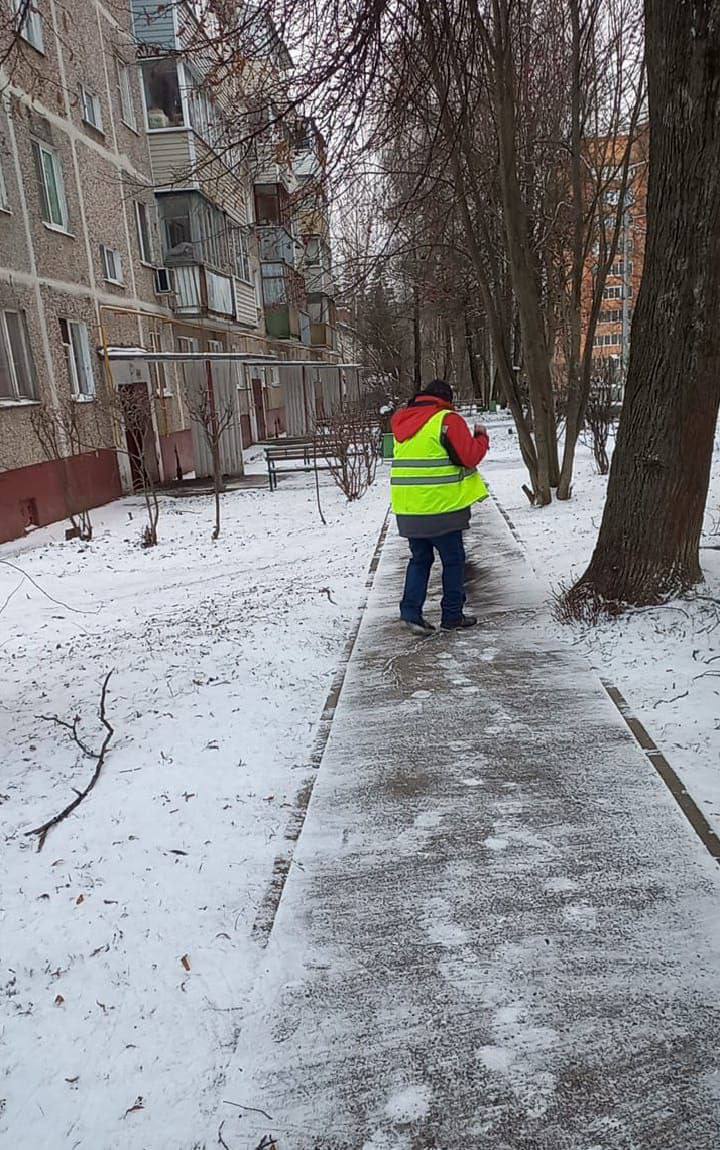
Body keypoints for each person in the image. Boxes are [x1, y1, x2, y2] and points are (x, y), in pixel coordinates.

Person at [390, 380, 490, 633]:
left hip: (409, 509)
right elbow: (468, 456)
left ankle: (411, 613)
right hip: (442, 508)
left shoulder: (402, 422)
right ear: (445, 398)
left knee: (420, 559)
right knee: (453, 560)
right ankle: (452, 615)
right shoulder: (446, 419)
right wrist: (481, 437)